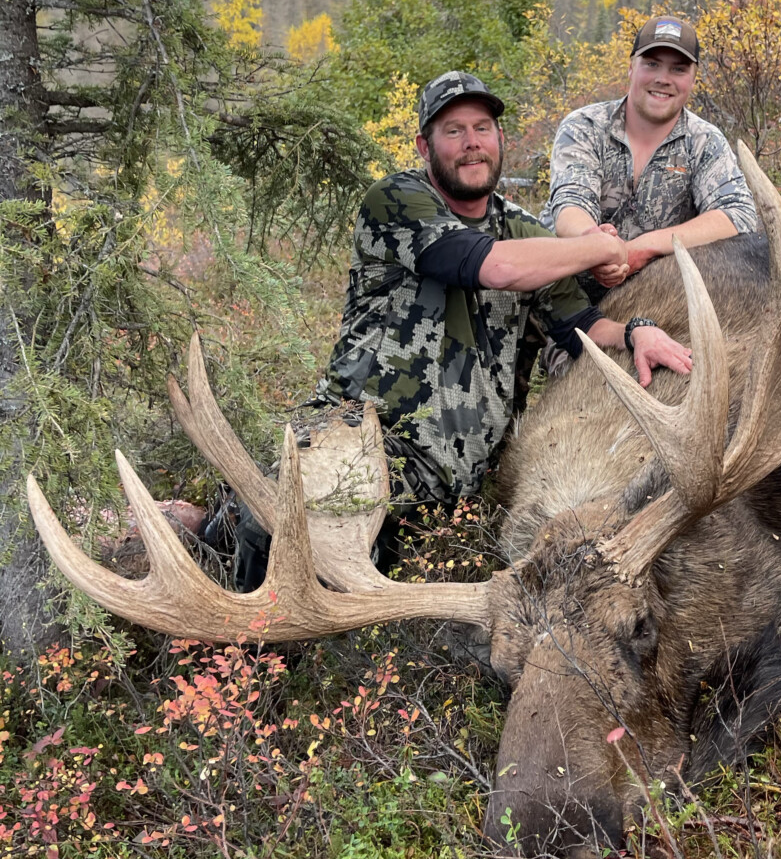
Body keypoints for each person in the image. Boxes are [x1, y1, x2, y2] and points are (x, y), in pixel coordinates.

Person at [233, 70, 693, 588]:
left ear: (501, 140)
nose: (472, 143)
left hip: (458, 490)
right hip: (364, 443)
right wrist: (604, 247)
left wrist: (636, 331)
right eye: (453, 130)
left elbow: (581, 327)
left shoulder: (521, 228)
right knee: (275, 525)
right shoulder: (396, 201)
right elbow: (488, 265)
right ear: (424, 146)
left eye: (482, 128)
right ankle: (244, 654)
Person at [541, 15, 758, 296]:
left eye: (678, 69)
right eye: (652, 64)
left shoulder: (705, 141)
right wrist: (595, 244)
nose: (662, 79)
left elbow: (738, 214)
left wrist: (646, 247)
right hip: (567, 290)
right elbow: (570, 203)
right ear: (632, 68)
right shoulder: (585, 126)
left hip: (657, 296)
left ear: (693, 79)